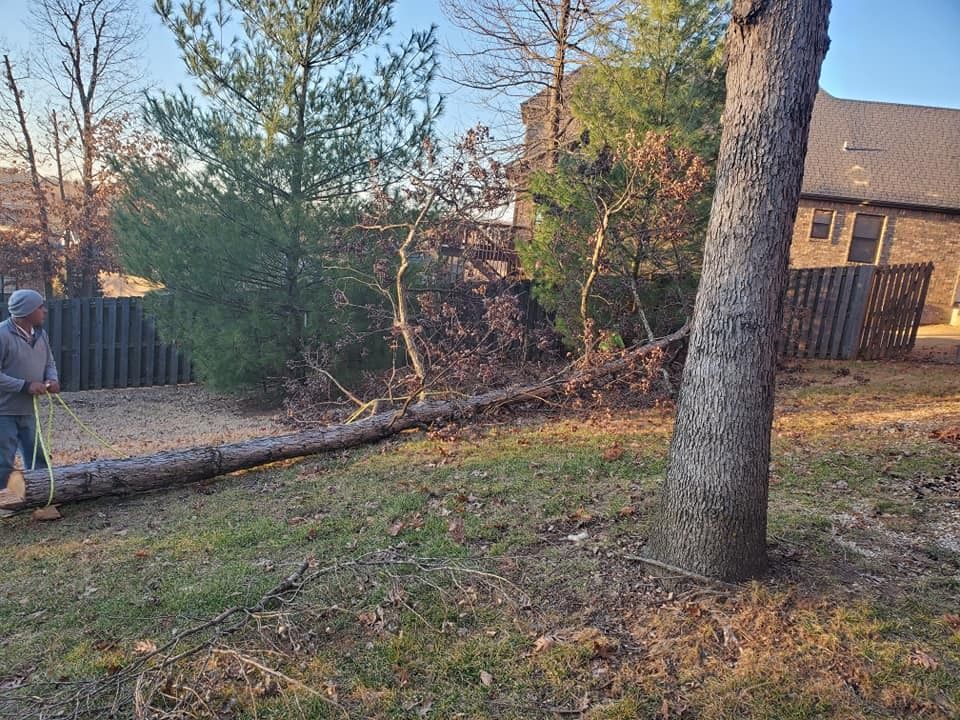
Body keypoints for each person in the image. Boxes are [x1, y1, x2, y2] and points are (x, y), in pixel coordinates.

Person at [0, 289, 59, 491]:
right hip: (4, 412)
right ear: (27, 311)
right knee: (3, 460)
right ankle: (4, 503)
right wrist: (26, 386)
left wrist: (52, 378)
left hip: (29, 410)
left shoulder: (41, 335)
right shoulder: (2, 335)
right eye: (40, 307)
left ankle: (41, 496)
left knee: (37, 455)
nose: (44, 311)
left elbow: (49, 362)